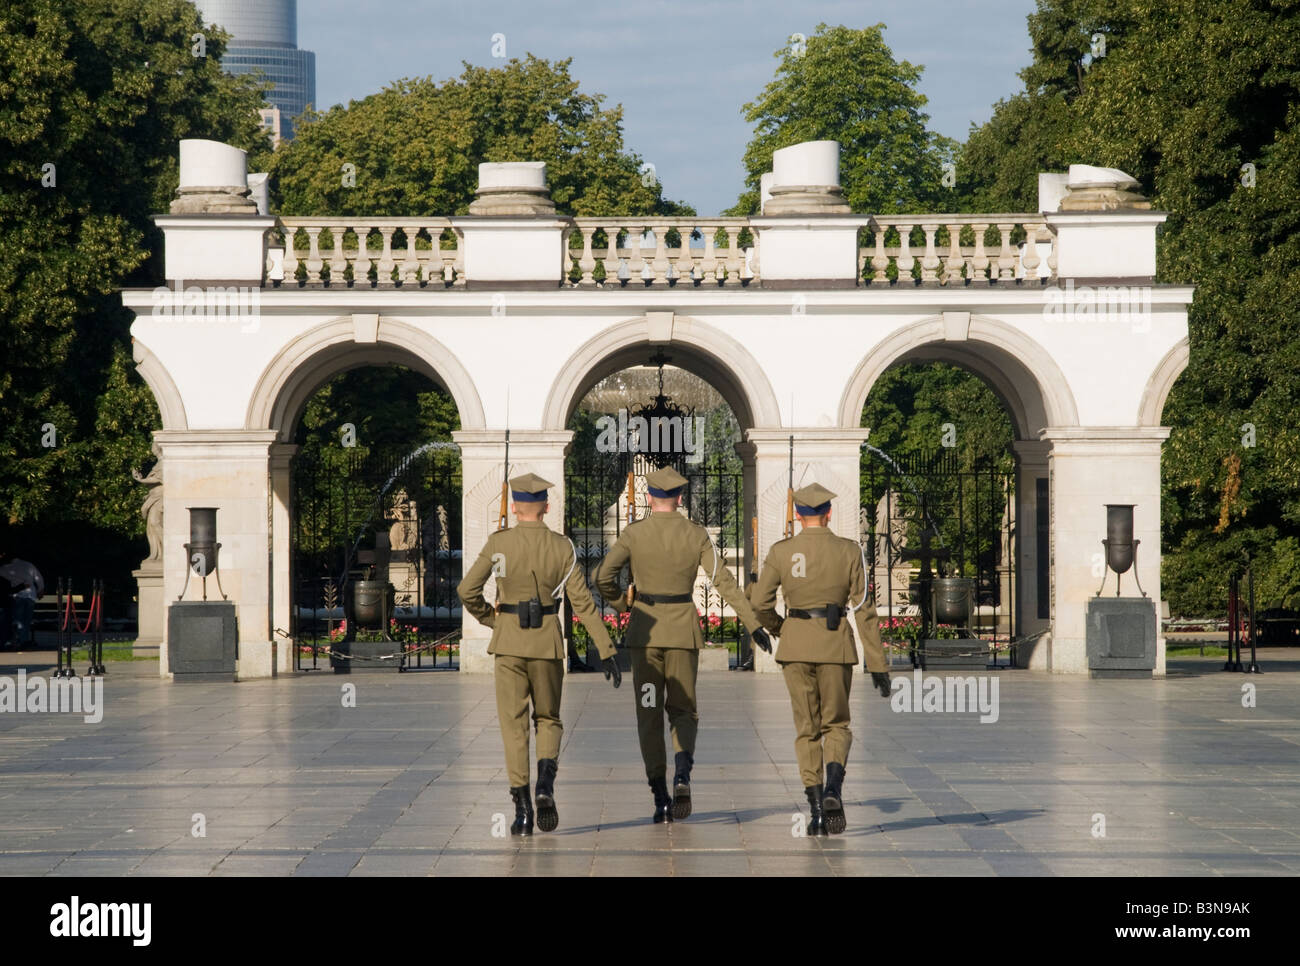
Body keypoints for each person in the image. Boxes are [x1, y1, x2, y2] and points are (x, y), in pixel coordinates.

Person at [595, 466, 773, 823]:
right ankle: (682, 772)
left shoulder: (634, 534)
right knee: (683, 709)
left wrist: (622, 602)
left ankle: (659, 794)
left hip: (645, 636)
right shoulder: (696, 535)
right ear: (679, 498)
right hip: (682, 634)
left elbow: (602, 578)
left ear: (649, 498)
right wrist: (753, 624)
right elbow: (722, 580)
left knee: (649, 713)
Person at [458, 473, 621, 835]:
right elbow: (583, 603)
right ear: (546, 507)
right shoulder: (562, 547)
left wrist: (492, 620)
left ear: (514, 507)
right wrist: (605, 648)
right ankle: (545, 785)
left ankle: (522, 809)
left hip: (509, 643)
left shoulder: (499, 544)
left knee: (514, 728)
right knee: (548, 718)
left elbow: (467, 590)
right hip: (547, 642)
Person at [751, 482, 891, 836]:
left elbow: (759, 604)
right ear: (828, 513)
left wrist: (782, 628)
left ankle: (815, 808)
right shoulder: (848, 550)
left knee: (807, 728)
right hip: (835, 646)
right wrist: (877, 663)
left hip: (796, 646)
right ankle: (833, 788)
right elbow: (863, 609)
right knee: (837, 724)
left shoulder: (781, 551)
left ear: (798, 515)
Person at [0, 556, 45, 650]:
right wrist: (40, 590)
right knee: (26, 620)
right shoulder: (29, 565)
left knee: (18, 620)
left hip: (18, 595)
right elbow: (38, 578)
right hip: (31, 595)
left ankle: (19, 640)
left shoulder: (6, 568)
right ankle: (23, 640)